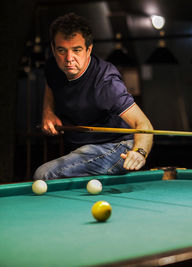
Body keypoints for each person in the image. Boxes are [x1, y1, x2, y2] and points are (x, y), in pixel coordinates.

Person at [33, 13, 153, 180]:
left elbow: (144, 125)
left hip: (119, 148)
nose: (69, 59)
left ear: (89, 49)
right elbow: (50, 84)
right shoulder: (54, 66)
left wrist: (139, 152)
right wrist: (48, 112)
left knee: (44, 174)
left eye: (77, 50)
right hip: (83, 148)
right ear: (53, 49)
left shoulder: (106, 83)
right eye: (62, 50)